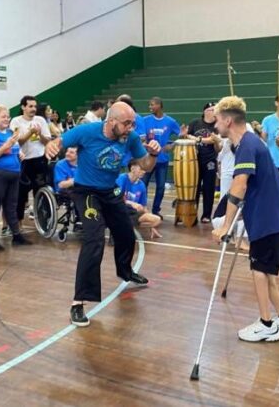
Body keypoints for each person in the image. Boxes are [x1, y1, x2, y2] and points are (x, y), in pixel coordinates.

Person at [45, 102, 160, 328]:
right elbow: (59, 141)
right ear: (111, 121)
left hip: (110, 191)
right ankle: (78, 302)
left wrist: (153, 154)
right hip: (86, 191)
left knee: (126, 233)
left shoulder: (131, 137)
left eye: (133, 123)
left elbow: (145, 165)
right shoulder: (87, 131)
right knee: (94, 239)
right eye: (127, 123)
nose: (130, 128)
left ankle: (125, 270)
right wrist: (52, 144)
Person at [211, 95, 279, 343]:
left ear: (228, 120)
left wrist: (226, 226)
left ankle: (266, 323)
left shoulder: (248, 145)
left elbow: (239, 185)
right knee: (267, 272)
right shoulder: (247, 144)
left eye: (217, 119)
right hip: (274, 219)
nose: (214, 124)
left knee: (259, 270)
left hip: (268, 220)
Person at [0, 104, 33, 251]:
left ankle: (16, 235)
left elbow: (14, 149)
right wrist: (6, 146)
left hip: (13, 175)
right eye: (3, 116)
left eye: (8, 116)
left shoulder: (10, 132)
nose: (7, 119)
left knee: (11, 206)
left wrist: (19, 154)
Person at [10, 95, 52, 223]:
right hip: (23, 162)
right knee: (21, 194)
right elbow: (17, 142)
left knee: (40, 191)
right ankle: (19, 222)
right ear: (23, 107)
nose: (33, 109)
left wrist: (39, 134)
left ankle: (43, 220)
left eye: (35, 106)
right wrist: (30, 132)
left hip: (39, 160)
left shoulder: (41, 120)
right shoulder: (16, 121)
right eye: (30, 106)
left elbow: (47, 141)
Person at [141, 96, 181, 217]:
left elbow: (182, 135)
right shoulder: (145, 120)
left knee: (161, 187)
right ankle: (143, 209)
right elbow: (141, 137)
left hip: (162, 161)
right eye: (149, 104)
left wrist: (173, 145)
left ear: (159, 105)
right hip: (147, 160)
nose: (150, 107)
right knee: (143, 185)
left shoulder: (170, 121)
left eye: (152, 104)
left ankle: (156, 210)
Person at [185, 102, 220, 223]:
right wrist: (185, 135)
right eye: (211, 110)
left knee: (209, 189)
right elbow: (186, 136)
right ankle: (192, 214)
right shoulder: (195, 123)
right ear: (205, 111)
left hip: (210, 160)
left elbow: (213, 140)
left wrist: (196, 139)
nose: (214, 112)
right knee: (194, 188)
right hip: (194, 160)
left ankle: (206, 215)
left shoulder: (217, 125)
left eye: (215, 110)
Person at [116, 162, 162, 239]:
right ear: (132, 168)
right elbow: (116, 198)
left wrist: (152, 228)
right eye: (141, 169)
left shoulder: (141, 185)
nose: (144, 171)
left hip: (133, 214)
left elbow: (143, 206)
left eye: (144, 169)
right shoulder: (121, 179)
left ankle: (130, 226)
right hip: (119, 210)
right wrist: (132, 203)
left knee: (157, 220)